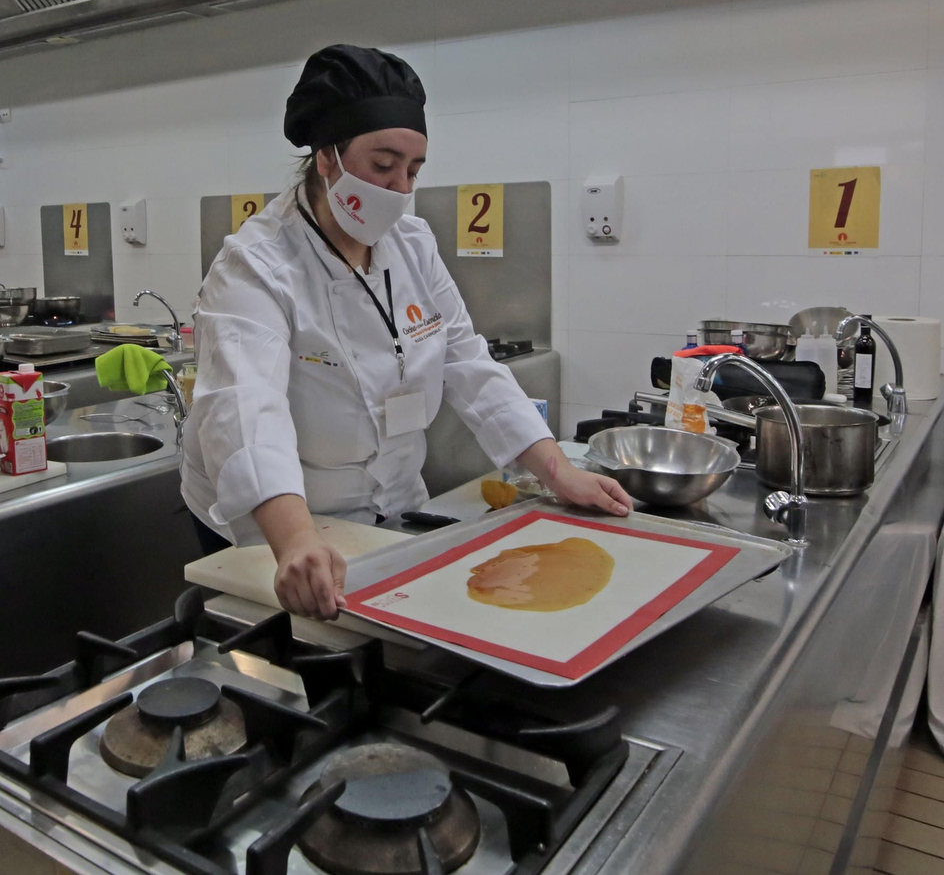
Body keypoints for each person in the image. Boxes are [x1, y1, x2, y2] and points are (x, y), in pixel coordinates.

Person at [183, 45, 633, 622]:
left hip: (389, 510)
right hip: (278, 526)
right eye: (382, 164)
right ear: (327, 156)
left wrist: (554, 469)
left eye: (413, 170)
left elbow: (468, 362)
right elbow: (246, 411)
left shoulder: (413, 245)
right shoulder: (255, 264)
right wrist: (294, 540)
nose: (398, 186)